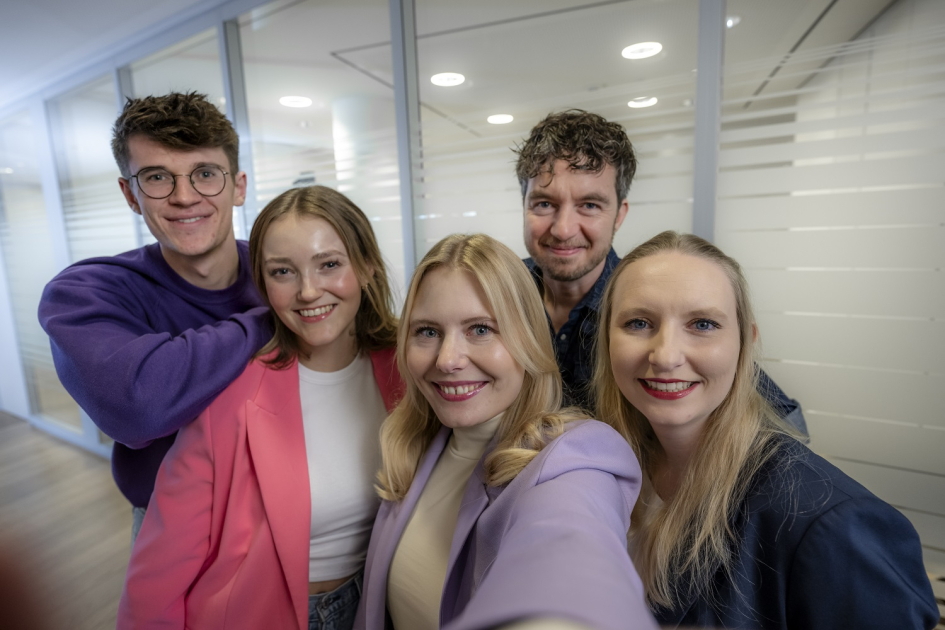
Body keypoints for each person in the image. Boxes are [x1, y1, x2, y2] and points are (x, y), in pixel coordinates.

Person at [594, 230, 938, 629]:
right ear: (607, 340)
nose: (666, 356)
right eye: (638, 323)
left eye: (702, 324)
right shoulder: (608, 472)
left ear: (746, 343)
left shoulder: (832, 524)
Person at [118, 186, 404, 630]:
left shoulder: (408, 369)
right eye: (282, 272)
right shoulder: (231, 394)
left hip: (377, 606)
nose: (308, 291)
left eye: (329, 264)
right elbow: (163, 562)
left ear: (366, 266)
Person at [355, 234, 658, 630]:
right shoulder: (416, 445)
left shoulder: (573, 457)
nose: (447, 360)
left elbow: (570, 547)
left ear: (527, 339)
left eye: (480, 329)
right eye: (427, 331)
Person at [38, 92, 271, 537]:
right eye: (158, 177)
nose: (184, 197)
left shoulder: (283, 274)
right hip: (175, 528)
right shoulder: (86, 293)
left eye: (206, 174)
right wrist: (275, 320)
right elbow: (137, 406)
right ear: (130, 194)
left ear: (239, 186)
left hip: (297, 505)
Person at [514, 110, 807, 436]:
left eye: (590, 205)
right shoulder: (500, 291)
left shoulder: (644, 298)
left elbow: (788, 424)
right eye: (544, 204)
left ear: (619, 215)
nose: (564, 229)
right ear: (524, 206)